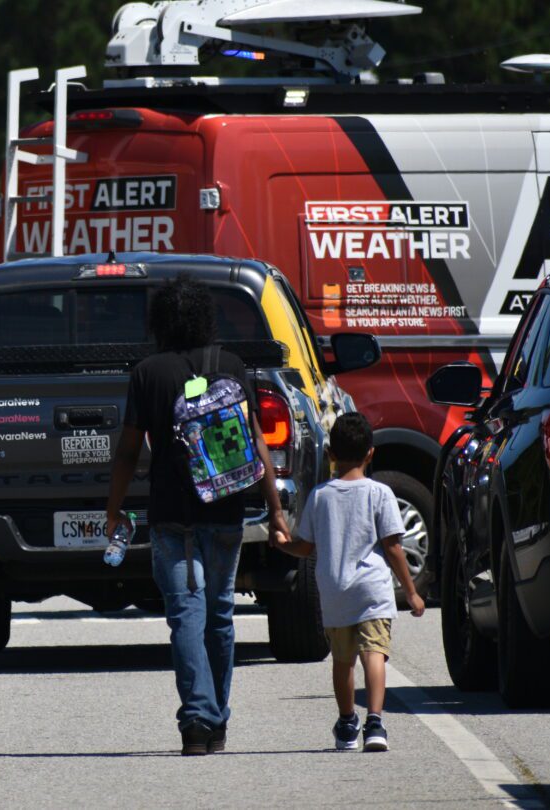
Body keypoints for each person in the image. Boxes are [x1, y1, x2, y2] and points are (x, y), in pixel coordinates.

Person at [105, 273, 290, 756]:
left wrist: (113, 508)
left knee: (186, 614)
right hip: (227, 508)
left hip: (171, 515)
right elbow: (257, 444)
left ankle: (197, 722)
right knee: (220, 613)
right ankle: (217, 719)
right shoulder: (231, 365)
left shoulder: (148, 373)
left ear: (161, 320)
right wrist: (275, 510)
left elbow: (127, 453)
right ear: (205, 318)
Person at [272, 412, 426, 752]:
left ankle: (345, 724)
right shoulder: (380, 493)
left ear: (330, 454)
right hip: (372, 589)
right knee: (375, 654)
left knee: (342, 661)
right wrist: (411, 592)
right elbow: (394, 547)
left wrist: (283, 544)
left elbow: (306, 547)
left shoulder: (320, 496)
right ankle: (374, 722)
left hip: (335, 590)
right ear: (371, 453)